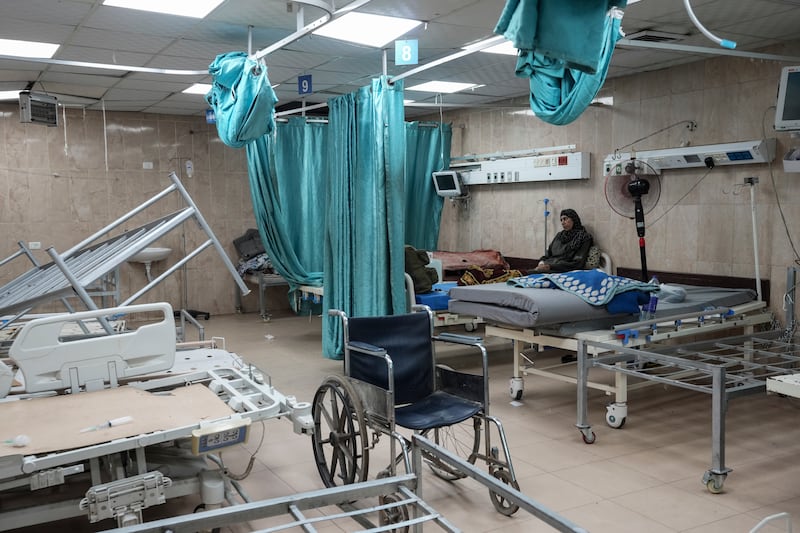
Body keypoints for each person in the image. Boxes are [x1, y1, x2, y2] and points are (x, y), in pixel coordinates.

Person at [534, 208, 593, 273]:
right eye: (561, 220)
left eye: (565, 219)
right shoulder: (559, 235)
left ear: (574, 219)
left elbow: (578, 263)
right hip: (547, 266)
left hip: (562, 270)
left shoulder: (583, 237)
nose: (562, 222)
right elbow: (548, 255)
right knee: (527, 275)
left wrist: (550, 266)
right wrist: (541, 262)